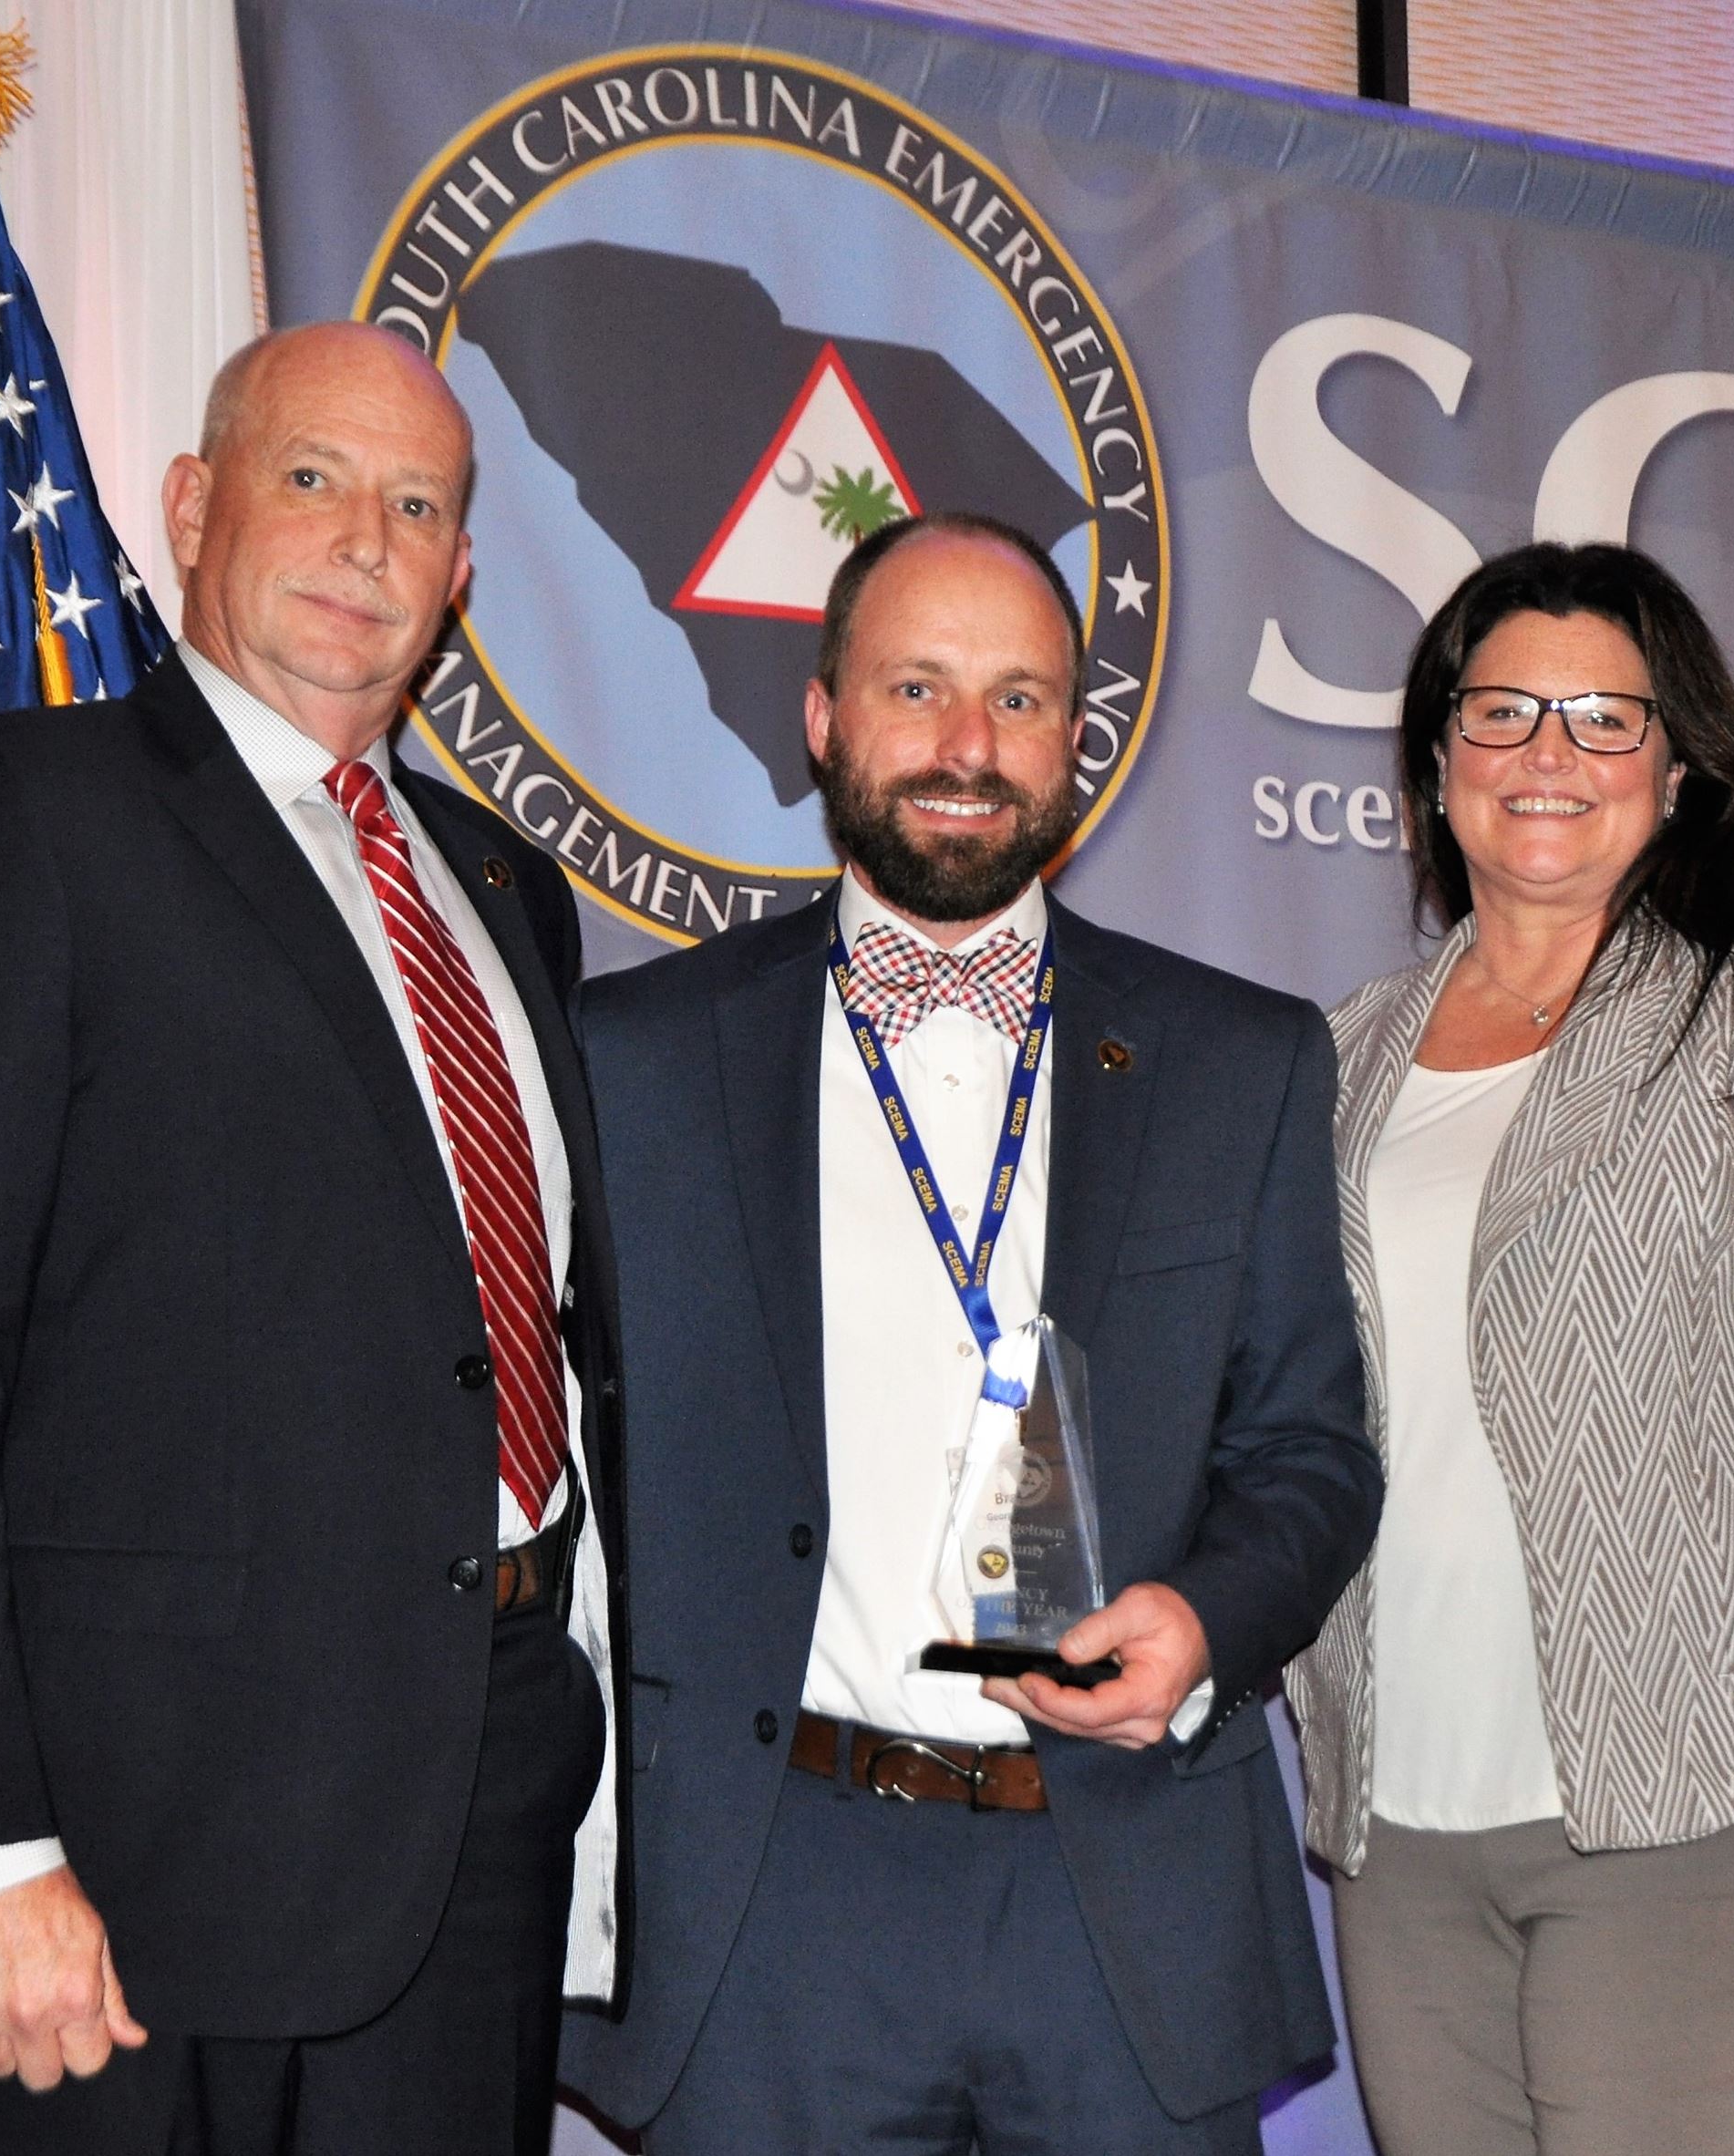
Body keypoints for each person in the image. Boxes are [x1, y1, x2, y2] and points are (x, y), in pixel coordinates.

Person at [0, 321, 627, 2155]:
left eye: (419, 504)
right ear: (190, 505)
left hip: (472, 1821)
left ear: (463, 572)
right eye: (310, 478)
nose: (366, 540)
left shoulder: (505, 894)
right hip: (124, 1867)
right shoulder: (17, 819)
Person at [556, 511, 1380, 2155]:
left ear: (1077, 737)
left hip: (1125, 1891)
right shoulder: (631, 1057)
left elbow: (1310, 1449)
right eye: (916, 687)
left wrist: (1205, 1628)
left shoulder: (1243, 1059)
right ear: (820, 715)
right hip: (770, 1902)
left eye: (1018, 700)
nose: (965, 747)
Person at [1285, 540, 1734, 2156]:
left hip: (1717, 1815)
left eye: (1606, 718)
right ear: (1435, 763)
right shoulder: (1338, 1054)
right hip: (1406, 1837)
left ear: (1676, 773)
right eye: (1504, 711)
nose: (1549, 754)